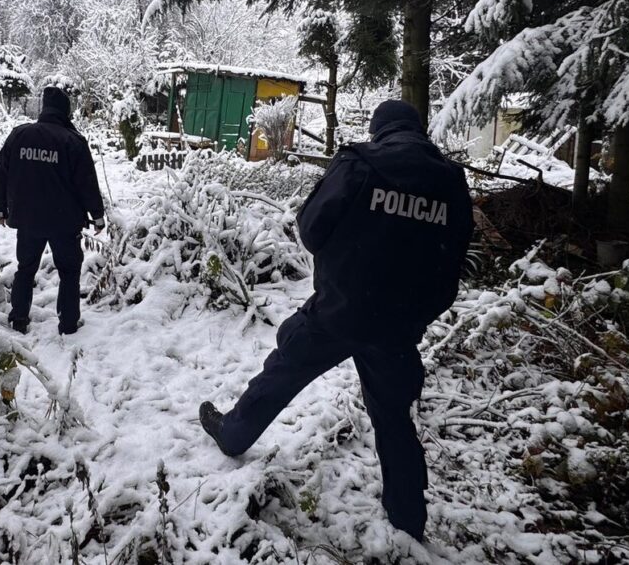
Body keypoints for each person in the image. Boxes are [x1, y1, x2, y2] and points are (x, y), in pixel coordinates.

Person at [199, 100, 473, 541]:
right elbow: (455, 262)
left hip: (340, 310)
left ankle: (232, 435)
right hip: (397, 327)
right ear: (418, 131)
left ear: (379, 129)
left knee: (283, 372)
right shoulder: (450, 182)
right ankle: (408, 518)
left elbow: (310, 230)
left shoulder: (360, 163)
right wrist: (417, 314)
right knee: (393, 418)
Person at [0, 86, 105, 335]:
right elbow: (87, 183)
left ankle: (18, 318)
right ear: (66, 111)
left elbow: (0, 173)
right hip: (65, 221)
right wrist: (97, 215)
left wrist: (0, 208)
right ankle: (68, 323)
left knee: (25, 268)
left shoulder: (19, 136)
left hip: (27, 219)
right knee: (69, 271)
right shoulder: (73, 141)